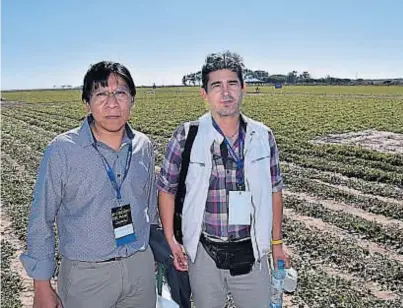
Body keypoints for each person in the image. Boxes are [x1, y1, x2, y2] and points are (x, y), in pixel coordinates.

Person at [157, 51, 290, 308]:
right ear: (204, 94)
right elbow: (167, 189)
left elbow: (275, 190)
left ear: (243, 88)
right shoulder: (187, 136)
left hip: (252, 250)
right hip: (204, 251)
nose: (225, 92)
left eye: (232, 84)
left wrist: (277, 243)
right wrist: (171, 239)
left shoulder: (262, 136)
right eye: (216, 85)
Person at [20, 61, 158, 308]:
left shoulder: (143, 146)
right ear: (87, 103)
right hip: (86, 276)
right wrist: (41, 285)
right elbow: (41, 218)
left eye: (120, 93)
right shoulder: (63, 150)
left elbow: (149, 206)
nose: (112, 103)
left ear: (132, 100)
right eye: (101, 94)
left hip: (139, 268)